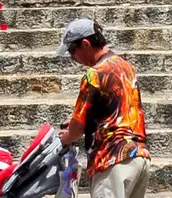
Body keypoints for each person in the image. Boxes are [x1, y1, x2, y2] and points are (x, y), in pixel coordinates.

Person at [60, 17, 149, 198]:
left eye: (72, 51)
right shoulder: (125, 66)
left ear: (85, 44)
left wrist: (67, 137)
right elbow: (119, 110)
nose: (72, 58)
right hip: (138, 155)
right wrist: (88, 122)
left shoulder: (95, 74)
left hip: (111, 158)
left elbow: (76, 130)